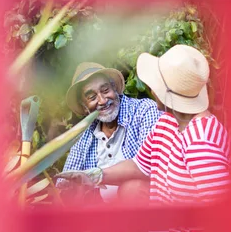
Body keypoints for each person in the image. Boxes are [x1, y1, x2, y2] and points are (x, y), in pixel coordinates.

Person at [59, 45, 231, 232]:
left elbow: (222, 211)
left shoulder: (201, 141)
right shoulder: (168, 123)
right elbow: (140, 165)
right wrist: (96, 175)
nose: (151, 90)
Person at [59, 62, 161, 203]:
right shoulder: (83, 135)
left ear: (115, 88)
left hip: (142, 209)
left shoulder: (143, 111)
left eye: (106, 90)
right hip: (100, 214)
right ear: (84, 107)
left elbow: (151, 165)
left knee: (133, 188)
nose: (102, 100)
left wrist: (96, 176)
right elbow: (64, 184)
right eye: (92, 97)